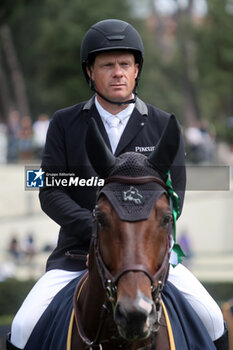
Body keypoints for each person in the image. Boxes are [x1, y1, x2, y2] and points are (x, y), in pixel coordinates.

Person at [8, 19, 228, 349]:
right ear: (90, 73)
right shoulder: (65, 124)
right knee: (23, 327)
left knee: (212, 319)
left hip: (148, 261)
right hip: (76, 255)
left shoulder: (163, 125)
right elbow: (50, 190)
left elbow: (174, 196)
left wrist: (136, 237)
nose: (118, 73)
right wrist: (95, 228)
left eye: (125, 64)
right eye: (107, 65)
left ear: (137, 70)